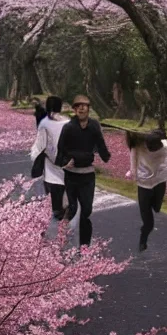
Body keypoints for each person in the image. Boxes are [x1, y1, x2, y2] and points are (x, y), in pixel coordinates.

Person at [55, 95, 111, 247]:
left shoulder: (94, 126)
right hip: (72, 175)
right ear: (74, 110)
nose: (81, 108)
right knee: (72, 208)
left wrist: (106, 156)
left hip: (87, 176)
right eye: (78, 106)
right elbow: (60, 151)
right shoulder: (68, 128)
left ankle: (84, 245)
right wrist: (65, 162)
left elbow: (101, 144)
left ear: (88, 109)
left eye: (84, 106)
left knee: (86, 211)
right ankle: (62, 231)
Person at [125, 129, 167, 252]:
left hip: (160, 180)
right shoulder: (138, 145)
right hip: (144, 183)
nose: (152, 149)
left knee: (157, 208)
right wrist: (133, 173)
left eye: (154, 147)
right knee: (148, 223)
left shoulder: (165, 146)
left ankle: (154, 206)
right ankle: (143, 239)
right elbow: (133, 158)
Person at [30, 96, 70, 220]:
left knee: (56, 207)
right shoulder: (68, 122)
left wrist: (34, 157)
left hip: (51, 171)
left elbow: (40, 146)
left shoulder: (45, 123)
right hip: (67, 168)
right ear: (60, 107)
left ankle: (59, 222)